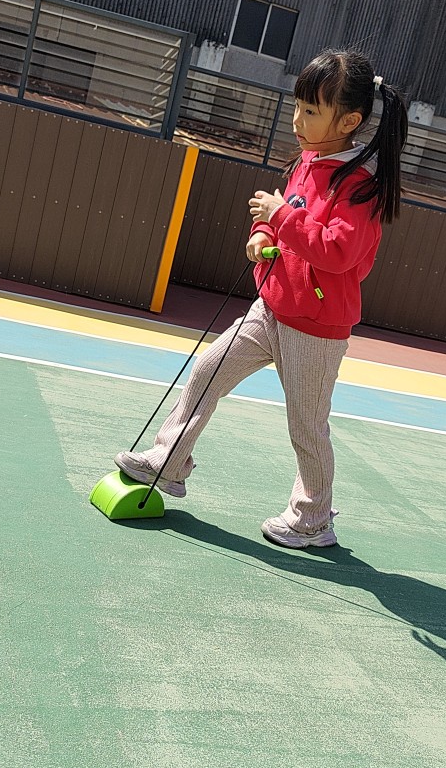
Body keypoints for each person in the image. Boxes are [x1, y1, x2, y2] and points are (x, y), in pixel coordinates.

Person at [115, 48, 408, 548]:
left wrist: (281, 218)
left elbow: (337, 252)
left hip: (315, 327)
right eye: (297, 106)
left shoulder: (358, 187)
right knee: (207, 371)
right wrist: (261, 232)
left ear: (349, 121)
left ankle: (313, 519)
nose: (297, 120)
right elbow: (281, 214)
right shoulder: (307, 162)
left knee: (306, 427)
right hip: (270, 306)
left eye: (311, 111)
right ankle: (168, 462)